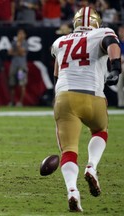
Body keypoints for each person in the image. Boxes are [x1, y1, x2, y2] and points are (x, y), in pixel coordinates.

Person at [51, 7, 121, 212]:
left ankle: (72, 191)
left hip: (65, 97)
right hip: (93, 96)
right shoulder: (102, 32)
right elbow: (112, 45)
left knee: (69, 150)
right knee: (100, 130)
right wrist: (116, 67)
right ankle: (91, 166)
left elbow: (57, 73)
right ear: (95, 22)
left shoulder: (59, 41)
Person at [8, 28, 28, 106]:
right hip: (14, 66)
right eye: (19, 34)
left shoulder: (25, 43)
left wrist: (18, 47)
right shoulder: (14, 42)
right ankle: (12, 101)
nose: (20, 35)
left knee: (21, 84)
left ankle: (20, 102)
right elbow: (9, 52)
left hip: (21, 67)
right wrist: (17, 51)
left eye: (22, 34)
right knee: (12, 83)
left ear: (24, 35)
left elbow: (22, 53)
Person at [117, 25, 124, 108]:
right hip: (119, 65)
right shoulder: (117, 42)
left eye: (122, 31)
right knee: (119, 86)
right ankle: (121, 104)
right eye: (120, 31)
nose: (120, 33)